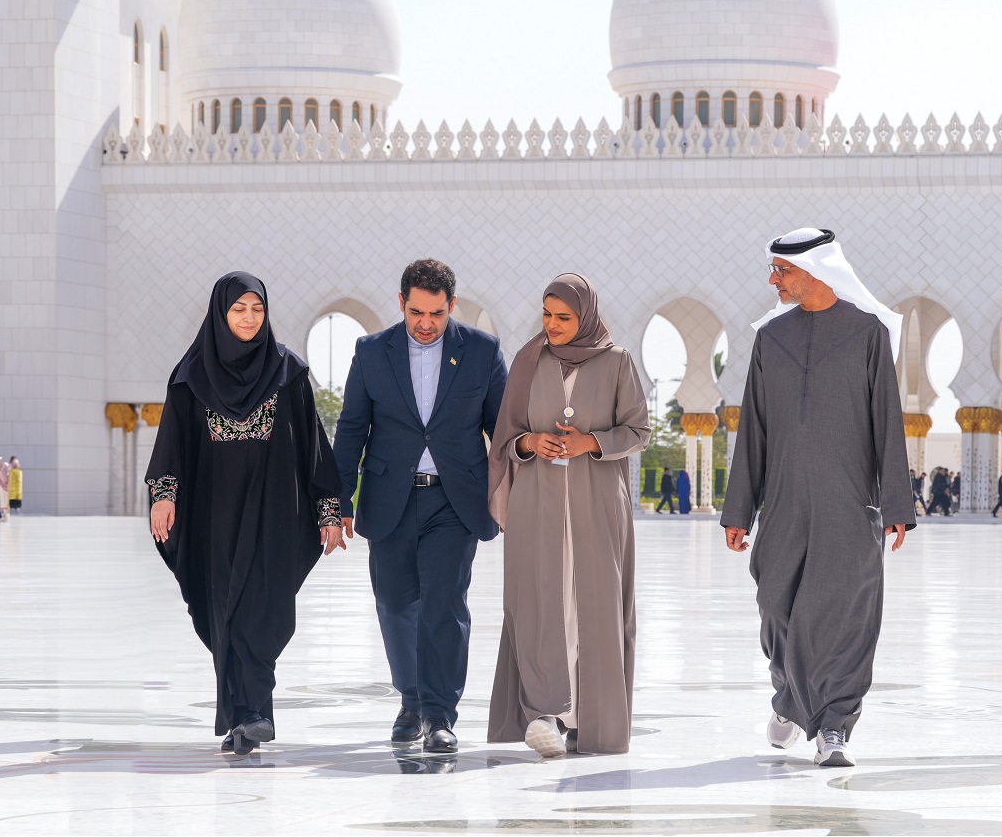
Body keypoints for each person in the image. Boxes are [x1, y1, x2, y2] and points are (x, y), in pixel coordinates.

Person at [722, 227, 913, 769]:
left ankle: (834, 725)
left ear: (817, 271)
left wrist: (897, 505)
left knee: (844, 617)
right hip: (783, 504)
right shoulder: (771, 338)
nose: (773, 280)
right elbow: (754, 429)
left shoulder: (867, 334)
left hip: (849, 504)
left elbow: (888, 422)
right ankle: (789, 694)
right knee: (776, 606)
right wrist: (740, 510)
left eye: (782, 271)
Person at [146, 271, 346, 756]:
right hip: (211, 514)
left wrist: (329, 508)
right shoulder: (191, 376)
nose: (250, 318)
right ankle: (243, 716)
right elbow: (172, 442)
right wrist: (164, 494)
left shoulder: (287, 371)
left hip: (272, 511)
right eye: (239, 309)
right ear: (221, 313)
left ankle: (254, 712)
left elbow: (312, 445)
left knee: (263, 606)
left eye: (257, 309)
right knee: (223, 614)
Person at [333, 259, 509, 755]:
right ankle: (410, 700)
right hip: (390, 497)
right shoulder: (372, 351)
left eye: (436, 313)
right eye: (416, 312)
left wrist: (513, 497)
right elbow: (351, 429)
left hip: (454, 500)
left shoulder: (481, 351)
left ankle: (438, 713)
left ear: (451, 306)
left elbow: (502, 430)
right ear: (401, 303)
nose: (426, 323)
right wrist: (338, 502)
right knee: (395, 604)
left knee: (444, 604)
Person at [486, 274, 651, 758]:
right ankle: (545, 714)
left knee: (592, 607)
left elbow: (639, 430)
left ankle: (589, 723)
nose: (552, 325)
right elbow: (504, 437)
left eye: (564, 317)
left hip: (596, 506)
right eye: (547, 315)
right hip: (536, 505)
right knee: (539, 603)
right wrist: (530, 442)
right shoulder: (528, 361)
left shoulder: (617, 361)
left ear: (587, 317)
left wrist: (591, 442)